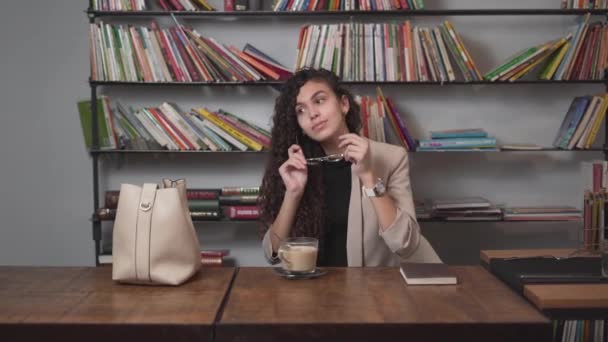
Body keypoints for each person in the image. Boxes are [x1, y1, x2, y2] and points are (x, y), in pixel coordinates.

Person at [258, 68, 440, 267]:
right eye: (300, 110)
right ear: (299, 124)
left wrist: (369, 176)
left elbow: (405, 244)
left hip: (373, 291)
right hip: (312, 289)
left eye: (319, 101)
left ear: (343, 104)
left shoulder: (391, 158)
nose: (312, 114)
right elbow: (273, 254)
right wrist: (293, 193)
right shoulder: (297, 165)